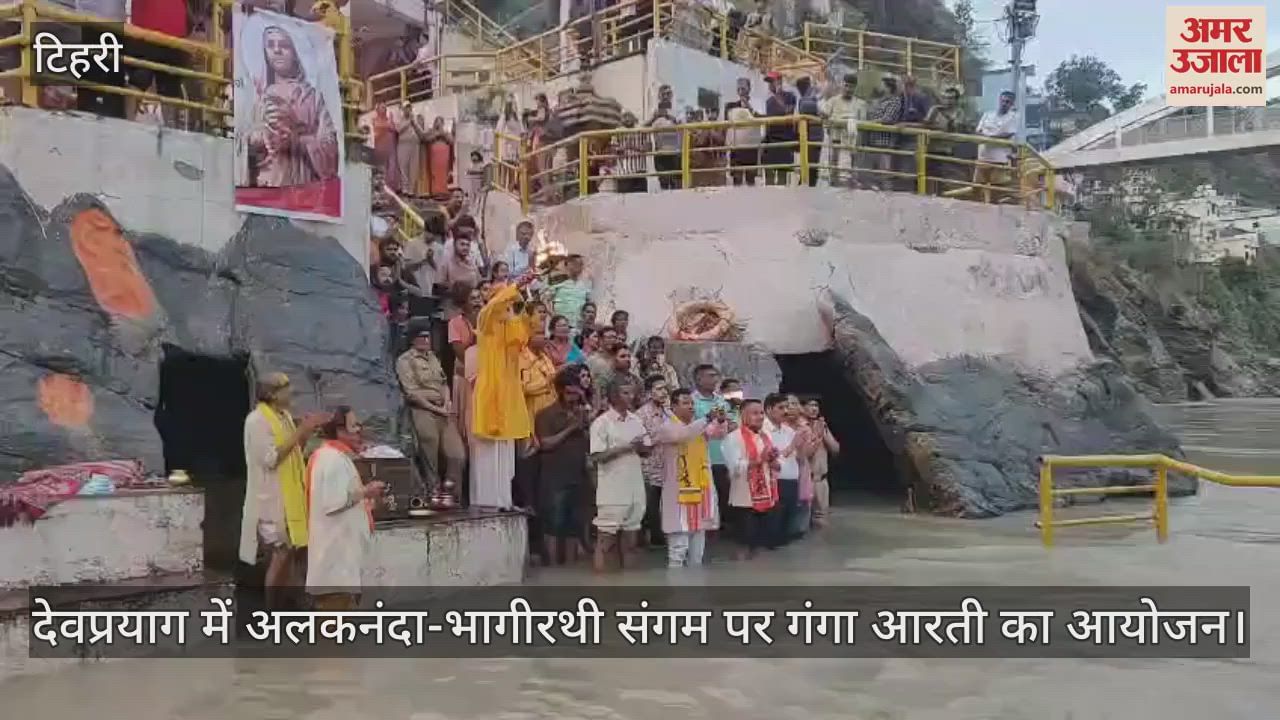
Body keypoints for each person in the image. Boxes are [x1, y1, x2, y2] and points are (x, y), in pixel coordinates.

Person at [240, 372, 324, 610]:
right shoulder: (256, 421)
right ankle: (270, 609)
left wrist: (305, 433)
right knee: (281, 553)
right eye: (285, 389)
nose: (291, 393)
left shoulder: (284, 416)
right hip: (271, 498)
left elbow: (294, 452)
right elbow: (271, 459)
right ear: (272, 394)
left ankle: (288, 603)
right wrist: (300, 431)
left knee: (294, 552)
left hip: (291, 496)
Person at [305, 406, 384, 610]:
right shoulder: (332, 459)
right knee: (332, 616)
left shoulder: (333, 456)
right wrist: (365, 492)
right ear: (340, 431)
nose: (359, 430)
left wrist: (364, 502)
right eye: (354, 426)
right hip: (335, 556)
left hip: (340, 556)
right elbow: (334, 502)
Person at [242, 25, 340, 188]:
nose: (277, 50)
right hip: (271, 182)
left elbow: (329, 146)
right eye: (270, 45)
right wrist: (263, 137)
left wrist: (298, 140)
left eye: (284, 45)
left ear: (296, 53)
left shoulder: (312, 98)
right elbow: (244, 140)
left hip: (305, 182)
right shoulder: (259, 97)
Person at [471, 275, 537, 510]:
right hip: (491, 391)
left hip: (509, 392)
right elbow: (494, 306)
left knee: (506, 453)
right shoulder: (485, 320)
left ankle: (504, 501)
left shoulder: (509, 327)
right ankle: (488, 500)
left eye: (511, 305)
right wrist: (517, 284)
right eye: (507, 303)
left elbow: (525, 330)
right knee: (489, 451)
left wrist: (528, 300)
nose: (509, 309)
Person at [656, 388, 729, 568]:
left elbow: (719, 433)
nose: (690, 406)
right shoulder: (666, 426)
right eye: (685, 403)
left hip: (700, 491)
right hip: (678, 494)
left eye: (692, 403)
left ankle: (694, 584)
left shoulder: (699, 427)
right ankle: (675, 584)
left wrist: (720, 420)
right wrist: (706, 419)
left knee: (697, 554)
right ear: (673, 407)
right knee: (678, 551)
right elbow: (682, 435)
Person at [589, 378, 652, 572]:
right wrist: (626, 447)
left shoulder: (636, 420)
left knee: (632, 543)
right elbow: (597, 456)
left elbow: (646, 451)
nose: (631, 396)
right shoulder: (601, 423)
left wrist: (644, 447)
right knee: (606, 542)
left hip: (635, 487)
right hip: (612, 490)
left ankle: (628, 584)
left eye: (632, 392)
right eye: (625, 393)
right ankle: (601, 584)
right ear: (613, 396)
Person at [396, 329, 462, 498]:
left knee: (457, 453)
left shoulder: (433, 357)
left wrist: (447, 403)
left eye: (428, 336)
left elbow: (444, 383)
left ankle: (451, 493)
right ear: (413, 339)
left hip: (443, 409)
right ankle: (433, 491)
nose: (426, 340)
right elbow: (411, 393)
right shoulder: (405, 360)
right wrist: (435, 408)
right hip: (423, 409)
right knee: (429, 448)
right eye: (422, 336)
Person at [535, 371, 591, 565]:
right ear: (559, 391)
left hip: (579, 476)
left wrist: (585, 419)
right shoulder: (546, 414)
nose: (573, 398)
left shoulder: (583, 414)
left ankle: (569, 572)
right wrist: (570, 429)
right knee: (553, 525)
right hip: (555, 478)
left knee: (574, 528)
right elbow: (544, 444)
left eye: (576, 393)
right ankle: (551, 572)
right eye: (569, 393)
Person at [721, 398, 777, 560]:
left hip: (766, 498)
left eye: (761, 413)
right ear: (743, 415)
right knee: (743, 549)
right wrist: (760, 460)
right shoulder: (733, 438)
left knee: (761, 550)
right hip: (744, 499)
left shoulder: (766, 436)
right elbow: (735, 467)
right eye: (754, 413)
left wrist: (773, 460)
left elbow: (774, 465)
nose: (760, 417)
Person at [126, 0, 189, 126]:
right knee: (137, 83)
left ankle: (171, 131)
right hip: (147, 31)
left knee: (169, 91)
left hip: (171, 33)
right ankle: (125, 124)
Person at [691, 364, 737, 525]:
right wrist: (709, 417)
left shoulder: (721, 400)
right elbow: (690, 429)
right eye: (711, 376)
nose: (715, 380)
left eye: (716, 376)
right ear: (699, 379)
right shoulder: (691, 401)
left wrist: (727, 423)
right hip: (702, 459)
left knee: (725, 499)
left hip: (723, 457)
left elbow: (733, 423)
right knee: (706, 501)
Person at [762, 393, 806, 548]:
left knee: (788, 523)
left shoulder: (789, 430)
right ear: (769, 409)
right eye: (781, 408)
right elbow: (771, 457)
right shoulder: (763, 431)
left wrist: (803, 443)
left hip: (792, 478)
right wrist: (793, 445)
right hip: (774, 480)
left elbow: (800, 457)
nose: (786, 411)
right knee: (774, 522)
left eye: (787, 407)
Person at [636, 374, 673, 548]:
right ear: (649, 393)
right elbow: (639, 443)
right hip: (649, 466)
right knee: (651, 505)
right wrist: (658, 437)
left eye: (665, 388)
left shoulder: (669, 412)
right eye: (659, 389)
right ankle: (651, 539)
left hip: (668, 464)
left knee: (665, 503)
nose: (663, 392)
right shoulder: (640, 415)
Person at [448, 282, 483, 448]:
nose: (478, 302)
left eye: (479, 298)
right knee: (467, 423)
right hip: (465, 379)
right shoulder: (455, 323)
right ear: (464, 303)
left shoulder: (486, 321)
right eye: (473, 299)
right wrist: (474, 337)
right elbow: (461, 354)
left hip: (485, 378)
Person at [821, 73, 867, 187]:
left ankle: (852, 180)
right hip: (836, 137)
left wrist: (850, 122)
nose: (848, 89)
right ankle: (833, 180)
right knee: (834, 159)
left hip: (852, 138)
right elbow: (823, 114)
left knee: (853, 161)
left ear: (855, 88)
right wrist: (831, 121)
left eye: (851, 87)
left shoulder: (860, 103)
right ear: (842, 85)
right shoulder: (833, 101)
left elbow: (863, 121)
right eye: (846, 86)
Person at [974, 90, 1019, 203]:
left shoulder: (1013, 117)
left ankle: (993, 210)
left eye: (1007, 102)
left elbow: (1007, 134)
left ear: (1011, 104)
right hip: (983, 156)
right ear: (999, 100)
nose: (1004, 104)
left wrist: (989, 137)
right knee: (977, 187)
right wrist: (989, 137)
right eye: (1003, 101)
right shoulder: (988, 114)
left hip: (999, 158)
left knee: (996, 190)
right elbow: (978, 131)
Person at [803, 397, 839, 528]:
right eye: (810, 405)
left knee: (823, 521)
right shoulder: (800, 428)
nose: (814, 409)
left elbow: (836, 449)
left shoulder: (822, 426)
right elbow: (805, 454)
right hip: (807, 480)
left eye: (816, 406)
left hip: (822, 481)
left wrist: (824, 433)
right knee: (804, 522)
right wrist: (816, 436)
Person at [923, 85, 966, 195]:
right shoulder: (935, 109)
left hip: (946, 149)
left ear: (956, 100)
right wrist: (934, 114)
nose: (948, 101)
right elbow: (925, 124)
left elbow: (953, 128)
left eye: (951, 98)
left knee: (942, 175)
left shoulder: (959, 112)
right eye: (945, 98)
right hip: (931, 146)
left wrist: (945, 116)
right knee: (928, 174)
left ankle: (939, 195)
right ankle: (928, 195)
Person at [865, 75, 905, 190]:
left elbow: (888, 118)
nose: (879, 87)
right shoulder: (881, 101)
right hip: (874, 138)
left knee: (885, 168)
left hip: (885, 140)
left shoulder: (895, 101)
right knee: (875, 168)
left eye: (882, 85)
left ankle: (887, 190)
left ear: (888, 87)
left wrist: (871, 122)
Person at [724, 78, 762, 186]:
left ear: (749, 89)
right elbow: (727, 125)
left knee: (751, 180)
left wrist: (749, 107)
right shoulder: (731, 107)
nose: (741, 91)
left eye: (743, 89)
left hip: (751, 148)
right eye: (739, 89)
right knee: (737, 179)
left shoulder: (757, 104)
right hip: (736, 149)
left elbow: (762, 118)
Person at [762, 72, 797, 186]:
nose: (770, 85)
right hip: (770, 143)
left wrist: (777, 96)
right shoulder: (769, 101)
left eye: (772, 82)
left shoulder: (790, 96)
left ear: (779, 82)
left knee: (782, 181)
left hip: (784, 142)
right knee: (769, 181)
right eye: (769, 83)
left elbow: (788, 112)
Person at [520, 327, 559, 418]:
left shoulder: (545, 357)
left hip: (550, 410)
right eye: (539, 333)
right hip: (532, 413)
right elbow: (524, 389)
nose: (545, 337)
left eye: (544, 333)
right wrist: (547, 382)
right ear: (528, 336)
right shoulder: (522, 359)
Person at [547, 254, 592, 331]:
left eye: (582, 265)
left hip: (578, 325)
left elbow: (588, 302)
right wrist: (553, 316)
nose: (581, 267)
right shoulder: (558, 280)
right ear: (569, 264)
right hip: (561, 325)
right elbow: (547, 300)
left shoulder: (586, 284)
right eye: (577, 264)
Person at [794, 76, 824, 188]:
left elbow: (806, 108)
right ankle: (807, 184)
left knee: (811, 165)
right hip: (811, 135)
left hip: (812, 136)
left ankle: (807, 186)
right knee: (809, 164)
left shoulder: (810, 96)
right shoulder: (811, 95)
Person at [612, 112, 651, 194]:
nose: (627, 119)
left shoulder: (642, 130)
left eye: (629, 116)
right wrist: (624, 147)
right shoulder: (617, 131)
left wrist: (633, 146)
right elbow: (613, 150)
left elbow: (648, 147)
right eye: (624, 116)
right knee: (624, 198)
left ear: (633, 117)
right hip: (624, 172)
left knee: (641, 198)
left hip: (640, 171)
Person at [649, 100, 682, 191]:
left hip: (673, 153)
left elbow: (681, 126)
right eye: (662, 109)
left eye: (665, 108)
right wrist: (654, 118)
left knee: (674, 182)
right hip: (661, 153)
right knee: (664, 182)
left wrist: (671, 117)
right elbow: (643, 127)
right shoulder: (656, 121)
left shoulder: (675, 119)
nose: (663, 111)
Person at [395, 101, 424, 195]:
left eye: (409, 107)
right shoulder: (399, 119)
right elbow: (398, 130)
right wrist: (409, 122)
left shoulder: (415, 119)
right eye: (406, 108)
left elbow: (421, 133)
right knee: (403, 167)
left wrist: (414, 122)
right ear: (403, 110)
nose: (408, 110)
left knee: (413, 168)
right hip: (403, 145)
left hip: (415, 145)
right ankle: (405, 189)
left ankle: (411, 190)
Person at [423, 116, 455, 198]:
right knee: (434, 172)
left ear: (443, 124)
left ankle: (443, 190)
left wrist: (443, 134)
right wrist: (437, 135)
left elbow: (451, 141)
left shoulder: (446, 132)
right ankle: (435, 191)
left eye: (440, 122)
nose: (438, 124)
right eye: (437, 122)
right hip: (434, 153)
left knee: (443, 172)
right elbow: (426, 139)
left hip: (444, 153)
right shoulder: (431, 131)